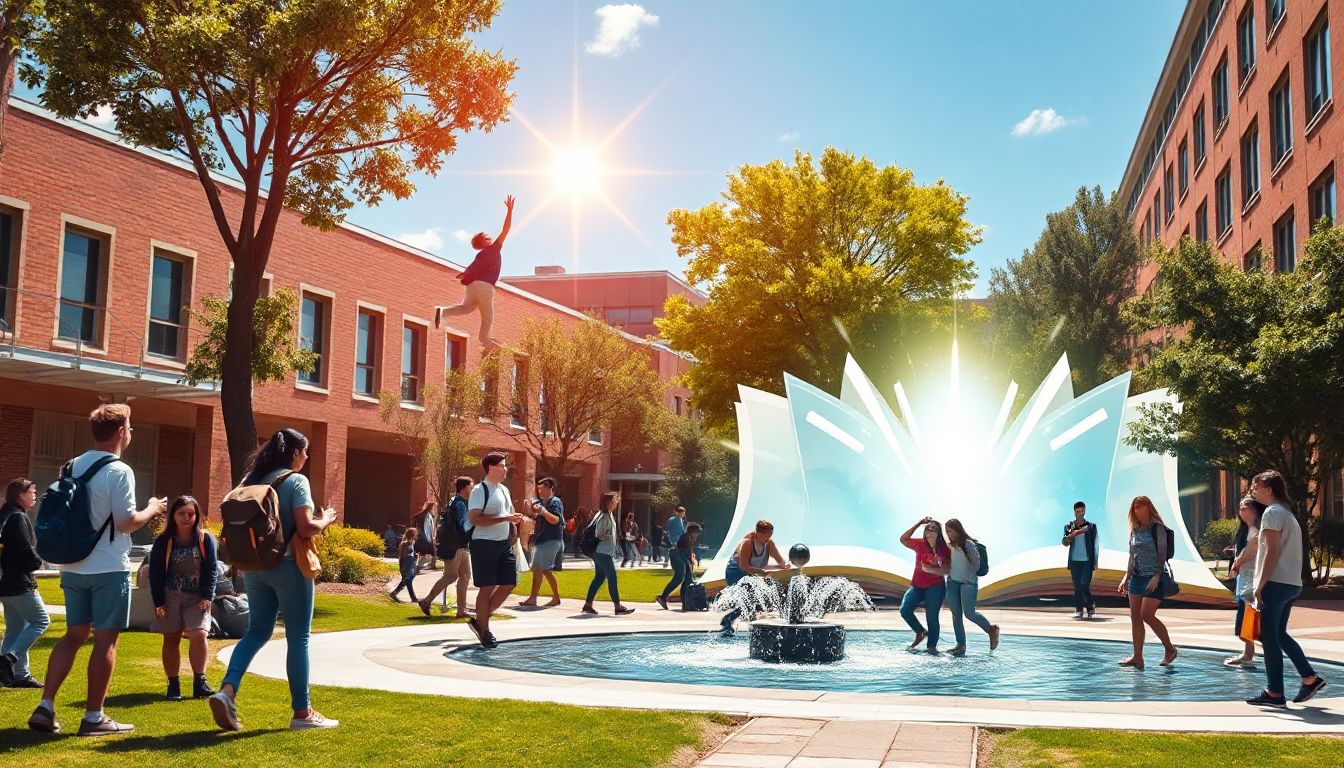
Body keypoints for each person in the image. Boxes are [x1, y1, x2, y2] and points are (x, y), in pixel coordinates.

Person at [28, 404, 166, 736]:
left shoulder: (71, 465)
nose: (131, 432)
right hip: (108, 568)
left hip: (73, 565)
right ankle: (94, 717)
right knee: (106, 642)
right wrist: (152, 508)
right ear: (120, 431)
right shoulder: (121, 471)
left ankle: (45, 705)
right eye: (130, 427)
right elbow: (125, 522)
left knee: (74, 635)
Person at [208, 428, 339, 732]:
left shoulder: (250, 480)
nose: (306, 459)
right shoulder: (296, 481)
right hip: (290, 566)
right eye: (305, 453)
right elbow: (305, 528)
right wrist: (326, 519)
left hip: (254, 566)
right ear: (295, 453)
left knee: (256, 632)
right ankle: (302, 713)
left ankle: (227, 690)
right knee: (299, 638)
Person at [1247, 470, 1327, 707]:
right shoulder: (1287, 514)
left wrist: (1259, 585)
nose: (1252, 489)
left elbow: (1271, 552)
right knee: (1279, 634)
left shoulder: (1272, 513)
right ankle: (1309, 678)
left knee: (1268, 637)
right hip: (1291, 584)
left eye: (1255, 485)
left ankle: (1274, 693)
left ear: (1269, 488)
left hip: (1275, 584)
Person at [148, 496, 219, 701]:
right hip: (171, 595)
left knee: (198, 634)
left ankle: (200, 682)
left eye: (191, 513)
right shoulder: (164, 540)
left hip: (197, 597)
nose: (187, 518)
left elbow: (211, 569)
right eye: (182, 514)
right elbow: (155, 572)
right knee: (171, 638)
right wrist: (159, 602)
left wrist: (207, 595)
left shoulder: (205, 539)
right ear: (173, 516)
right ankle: (174, 684)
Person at [434, 195, 514, 347]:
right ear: (483, 242)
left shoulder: (479, 255)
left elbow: (469, 272)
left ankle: (442, 312)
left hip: (472, 287)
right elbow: (506, 229)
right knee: (488, 318)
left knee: (466, 308)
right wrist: (509, 210)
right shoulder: (494, 249)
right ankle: (485, 339)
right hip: (485, 288)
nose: (490, 237)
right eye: (487, 237)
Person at [465, 452, 523, 649]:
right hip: (483, 544)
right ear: (491, 467)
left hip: (503, 544)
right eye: (502, 466)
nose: (506, 469)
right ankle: (485, 630)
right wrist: (505, 519)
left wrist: (513, 526)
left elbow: (508, 513)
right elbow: (474, 519)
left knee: (509, 583)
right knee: (487, 587)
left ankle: (480, 621)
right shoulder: (479, 491)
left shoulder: (504, 490)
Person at [1116, 495, 1179, 670]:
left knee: (1147, 615)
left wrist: (1157, 576)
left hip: (1154, 576)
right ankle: (1137, 657)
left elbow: (1163, 554)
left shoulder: (1157, 528)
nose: (1138, 510)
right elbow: (1132, 556)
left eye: (1141, 506)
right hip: (1136, 577)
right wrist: (1126, 577)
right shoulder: (1135, 530)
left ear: (1149, 507)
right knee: (1135, 617)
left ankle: (1170, 649)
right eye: (1135, 508)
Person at [0, 478, 48, 689]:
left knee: (16, 629)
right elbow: (23, 550)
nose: (35, 496)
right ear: (21, 495)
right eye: (32, 492)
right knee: (40, 621)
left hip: (5, 584)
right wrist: (38, 562)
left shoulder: (5, 515)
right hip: (19, 583)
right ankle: (8, 659)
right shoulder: (18, 517)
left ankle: (19, 676)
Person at [720, 519, 787, 634]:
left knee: (755, 601)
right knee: (746, 601)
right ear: (758, 533)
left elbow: (781, 562)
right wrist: (762, 570)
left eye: (771, 535)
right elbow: (744, 566)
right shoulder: (747, 543)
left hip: (753, 573)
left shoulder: (769, 543)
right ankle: (727, 621)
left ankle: (744, 622)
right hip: (736, 572)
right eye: (767, 535)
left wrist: (782, 566)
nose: (769, 537)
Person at [943, 518, 1000, 654]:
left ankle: (991, 629)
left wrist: (967, 579)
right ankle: (960, 646)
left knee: (969, 613)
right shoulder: (949, 546)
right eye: (947, 531)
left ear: (958, 530)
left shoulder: (968, 544)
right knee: (956, 615)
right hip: (952, 583)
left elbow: (976, 563)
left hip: (968, 583)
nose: (948, 534)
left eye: (950, 531)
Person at [419, 477, 473, 618]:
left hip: (461, 545)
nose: (472, 489)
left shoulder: (457, 501)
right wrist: (474, 526)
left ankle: (461, 610)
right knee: (451, 576)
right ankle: (426, 601)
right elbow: (461, 525)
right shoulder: (459, 504)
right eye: (471, 486)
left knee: (465, 576)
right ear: (465, 488)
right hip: (455, 545)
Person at [1225, 496, 1266, 668]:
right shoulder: (1244, 530)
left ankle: (1263, 651)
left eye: (1246, 508)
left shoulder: (1259, 530)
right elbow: (1243, 552)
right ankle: (1248, 654)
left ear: (1255, 510)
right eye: (1240, 508)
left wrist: (1238, 562)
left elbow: (1251, 552)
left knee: (1253, 618)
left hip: (1255, 579)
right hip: (1244, 579)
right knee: (1244, 618)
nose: (1242, 511)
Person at [899, 517, 950, 652]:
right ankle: (920, 632)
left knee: (932, 617)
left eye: (934, 528)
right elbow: (903, 539)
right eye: (928, 528)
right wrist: (918, 523)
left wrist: (931, 570)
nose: (930, 529)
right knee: (905, 610)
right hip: (916, 585)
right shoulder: (919, 544)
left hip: (936, 587)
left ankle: (931, 648)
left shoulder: (944, 549)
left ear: (939, 532)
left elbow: (948, 570)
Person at [582, 492, 636, 616]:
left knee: (599, 578)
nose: (617, 502)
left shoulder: (609, 514)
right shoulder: (604, 515)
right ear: (610, 501)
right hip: (602, 552)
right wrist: (607, 536)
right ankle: (617, 606)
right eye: (615, 500)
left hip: (602, 551)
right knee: (612, 577)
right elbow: (598, 532)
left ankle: (588, 604)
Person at [519, 478, 564, 608]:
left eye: (542, 488)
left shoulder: (555, 502)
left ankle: (556, 597)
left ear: (550, 488)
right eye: (538, 488)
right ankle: (533, 598)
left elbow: (555, 520)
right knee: (537, 569)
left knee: (545, 569)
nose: (539, 491)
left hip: (550, 540)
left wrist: (543, 511)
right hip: (542, 540)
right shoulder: (543, 502)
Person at [1062, 500, 1098, 619]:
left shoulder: (1091, 527)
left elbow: (1095, 545)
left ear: (1084, 511)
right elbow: (1065, 542)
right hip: (1074, 560)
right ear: (1074, 512)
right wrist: (1073, 534)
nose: (1079, 513)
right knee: (1077, 585)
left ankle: (1090, 606)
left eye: (1081, 511)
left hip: (1087, 560)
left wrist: (1095, 562)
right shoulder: (1069, 526)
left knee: (1084, 584)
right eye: (1077, 511)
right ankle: (1079, 610)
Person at [657, 522, 702, 610]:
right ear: (692, 532)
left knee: (688, 580)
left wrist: (690, 560)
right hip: (677, 556)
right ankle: (663, 597)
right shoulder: (686, 537)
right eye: (697, 533)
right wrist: (689, 562)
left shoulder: (689, 538)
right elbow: (681, 551)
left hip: (681, 557)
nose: (698, 535)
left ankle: (685, 604)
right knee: (679, 578)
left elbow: (688, 552)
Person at [656, 506, 691, 610]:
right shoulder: (675, 519)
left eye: (683, 512)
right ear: (676, 512)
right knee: (680, 576)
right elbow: (678, 536)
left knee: (686, 576)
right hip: (676, 550)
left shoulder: (678, 520)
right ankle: (663, 597)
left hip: (680, 550)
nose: (682, 514)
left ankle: (685, 603)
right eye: (680, 512)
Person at [390, 528, 420, 602]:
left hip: (411, 562)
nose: (417, 535)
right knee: (408, 580)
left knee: (408, 580)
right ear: (412, 534)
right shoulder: (405, 544)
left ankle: (394, 593)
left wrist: (415, 556)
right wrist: (403, 567)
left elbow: (411, 553)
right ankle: (413, 598)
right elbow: (403, 556)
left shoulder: (412, 542)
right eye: (415, 533)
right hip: (406, 563)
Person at [412, 501, 437, 572]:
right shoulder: (426, 515)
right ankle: (417, 568)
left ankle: (420, 567)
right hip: (424, 539)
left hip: (423, 538)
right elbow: (427, 528)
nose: (435, 509)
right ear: (431, 507)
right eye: (434, 507)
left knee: (427, 553)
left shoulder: (426, 515)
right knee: (424, 554)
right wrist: (430, 539)